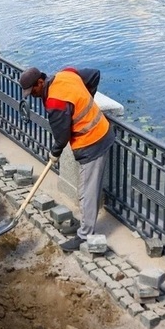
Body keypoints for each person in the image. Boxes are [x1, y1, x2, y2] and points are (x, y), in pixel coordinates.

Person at [20, 66, 115, 252]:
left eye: (33, 90)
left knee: (87, 192)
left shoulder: (56, 102)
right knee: (87, 188)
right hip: (101, 131)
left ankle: (85, 235)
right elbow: (95, 74)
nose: (32, 95)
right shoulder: (66, 74)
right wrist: (87, 101)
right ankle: (84, 227)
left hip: (93, 142)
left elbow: (62, 137)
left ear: (40, 82)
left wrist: (54, 153)